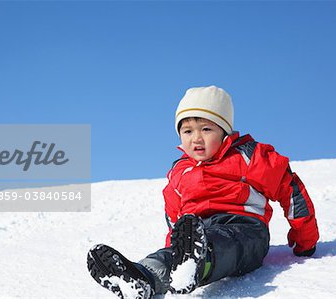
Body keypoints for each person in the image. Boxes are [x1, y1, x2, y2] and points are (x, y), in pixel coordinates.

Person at [86, 86, 319, 299]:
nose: (196, 138)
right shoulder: (180, 171)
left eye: (206, 129)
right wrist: (175, 247)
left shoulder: (248, 156)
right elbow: (175, 218)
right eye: (187, 131)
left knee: (224, 244)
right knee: (171, 255)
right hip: (196, 231)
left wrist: (305, 240)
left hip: (245, 229)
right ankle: (140, 277)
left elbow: (290, 189)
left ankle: (196, 263)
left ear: (224, 131)